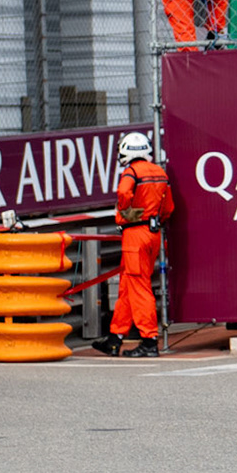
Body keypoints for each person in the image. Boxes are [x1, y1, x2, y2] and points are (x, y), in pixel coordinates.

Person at [94, 132, 171, 358]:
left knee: (139, 288)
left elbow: (123, 192)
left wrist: (126, 213)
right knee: (128, 286)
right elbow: (169, 207)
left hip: (135, 235)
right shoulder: (160, 172)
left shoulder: (131, 172)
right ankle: (115, 338)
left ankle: (149, 341)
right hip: (153, 234)